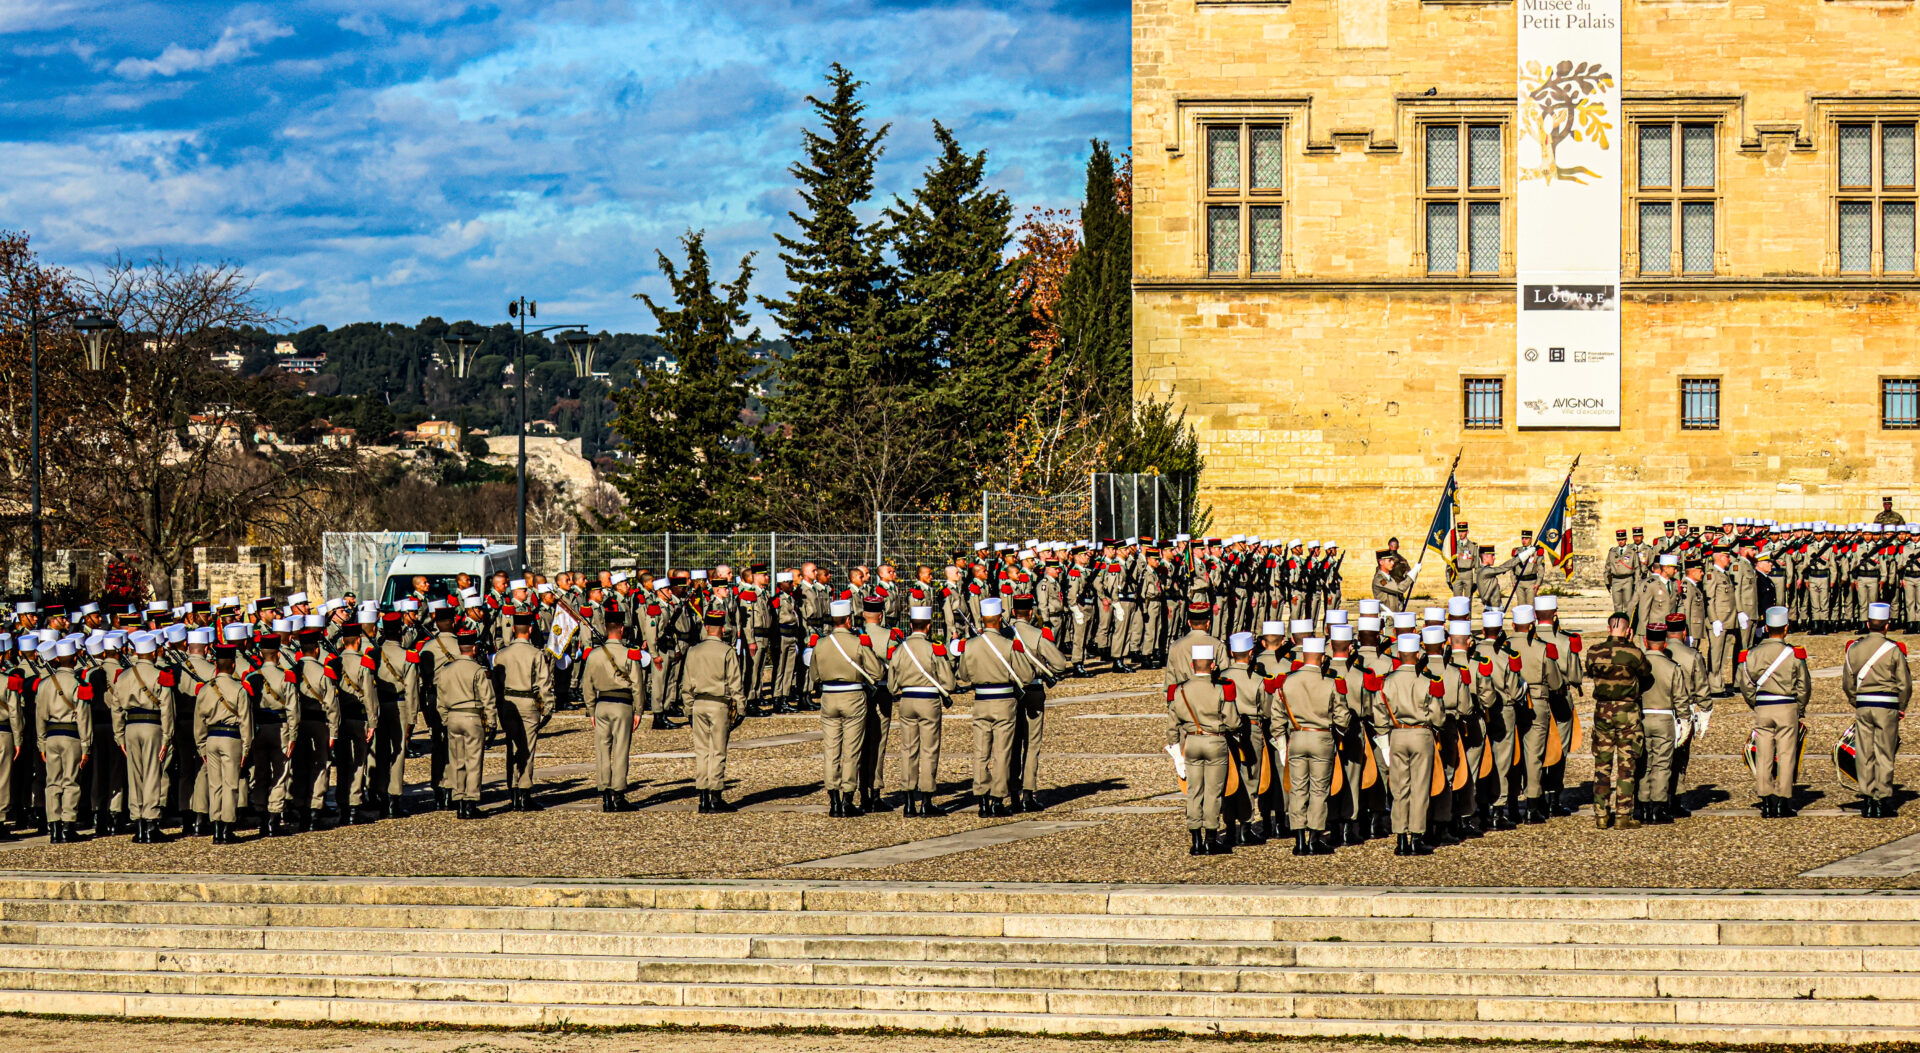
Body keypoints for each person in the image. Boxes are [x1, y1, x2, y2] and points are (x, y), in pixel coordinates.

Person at [955, 597, 1036, 817]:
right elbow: (1027, 676)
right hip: (1004, 701)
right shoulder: (1009, 645)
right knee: (1002, 752)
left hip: (981, 701)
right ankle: (997, 800)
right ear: (999, 619)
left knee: (981, 751)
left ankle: (981, 798)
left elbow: (962, 675)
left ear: (982, 619)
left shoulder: (971, 645)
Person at [809, 598, 882, 817]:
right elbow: (878, 672)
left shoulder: (821, 644)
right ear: (849, 620)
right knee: (851, 750)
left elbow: (814, 675)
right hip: (853, 696)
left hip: (829, 696)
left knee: (831, 750)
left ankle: (833, 799)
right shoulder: (858, 641)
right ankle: (847, 798)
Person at [1737, 605, 1811, 817]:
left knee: (1763, 754)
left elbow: (1746, 684)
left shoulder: (1752, 654)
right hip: (1786, 705)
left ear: (1767, 628)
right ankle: (1782, 800)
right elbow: (1803, 685)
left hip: (1763, 706)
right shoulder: (1793, 653)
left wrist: (1755, 703)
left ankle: (1766, 799)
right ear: (1785, 628)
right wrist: (1800, 707)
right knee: (1787, 753)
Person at [1167, 644, 1241, 855]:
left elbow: (1172, 724)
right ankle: (1211, 838)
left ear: (1192, 665)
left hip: (1191, 741)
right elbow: (1233, 721)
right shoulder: (1220, 688)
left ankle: (1196, 840)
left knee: (1194, 791)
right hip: (1215, 740)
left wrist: (1175, 748)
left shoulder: (1179, 690)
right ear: (1213, 665)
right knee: (1213, 792)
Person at [1280, 635, 1350, 855]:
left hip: (1297, 736)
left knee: (1298, 788)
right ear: (1321, 657)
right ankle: (1314, 838)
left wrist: (1282, 742)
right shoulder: (1329, 682)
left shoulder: (1288, 681)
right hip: (1321, 737)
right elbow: (1342, 716)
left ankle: (1299, 839)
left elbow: (1277, 716)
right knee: (1319, 790)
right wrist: (1340, 731)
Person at [1584, 611, 1652, 830]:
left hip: (1602, 710)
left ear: (1608, 628)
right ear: (1628, 630)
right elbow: (1646, 673)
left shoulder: (1594, 651)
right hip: (1627, 711)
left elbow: (1589, 669)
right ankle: (1623, 815)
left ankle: (1601, 815)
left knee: (1602, 764)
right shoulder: (1633, 653)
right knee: (1626, 764)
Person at [1842, 602, 1910, 817]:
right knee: (1884, 753)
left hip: (1863, 703)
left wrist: (1856, 700)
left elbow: (1847, 681)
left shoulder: (1854, 648)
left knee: (1864, 752)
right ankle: (1882, 798)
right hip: (1887, 705)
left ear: (1868, 623)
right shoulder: (1893, 649)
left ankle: (1868, 797)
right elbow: (1904, 684)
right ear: (1887, 625)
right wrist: (1901, 705)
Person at [1376, 633, 1442, 855]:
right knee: (1419, 788)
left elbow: (1379, 711)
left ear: (1398, 655)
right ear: (1417, 654)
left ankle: (1401, 838)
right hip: (1420, 733)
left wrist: (1385, 734)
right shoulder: (1426, 680)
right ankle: (1416, 836)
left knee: (1399, 788)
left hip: (1398, 733)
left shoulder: (1388, 680)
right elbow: (1437, 715)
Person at [889, 605, 955, 817]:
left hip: (907, 700)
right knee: (929, 750)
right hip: (928, 699)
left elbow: (891, 686)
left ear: (910, 626)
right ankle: (926, 801)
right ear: (928, 626)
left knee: (909, 749)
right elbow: (949, 683)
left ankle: (909, 802)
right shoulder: (933, 649)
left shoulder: (901, 649)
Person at [110, 633, 176, 843]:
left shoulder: (122, 676)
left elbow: (116, 708)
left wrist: (119, 735)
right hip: (152, 725)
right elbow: (167, 708)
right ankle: (151, 823)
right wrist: (167, 737)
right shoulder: (161, 675)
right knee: (152, 774)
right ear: (154, 652)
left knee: (135, 776)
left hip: (131, 727)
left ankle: (138, 824)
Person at [681, 609, 746, 812]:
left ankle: (702, 795)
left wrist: (688, 709)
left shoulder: (693, 651)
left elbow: (686, 684)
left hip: (699, 703)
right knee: (717, 750)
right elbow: (736, 683)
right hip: (719, 704)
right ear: (723, 629)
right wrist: (741, 708)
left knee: (701, 751)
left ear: (706, 627)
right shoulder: (727, 651)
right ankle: (715, 795)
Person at [194, 627, 253, 845]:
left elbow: (198, 721)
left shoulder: (206, 689)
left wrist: (201, 746)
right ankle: (227, 828)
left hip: (211, 738)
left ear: (216, 665)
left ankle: (216, 826)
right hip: (232, 738)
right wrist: (247, 748)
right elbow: (246, 722)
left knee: (215, 784)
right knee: (230, 784)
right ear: (233, 666)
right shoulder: (239, 690)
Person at [581, 620, 645, 811]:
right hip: (622, 704)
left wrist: (591, 709)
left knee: (602, 750)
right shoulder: (629, 653)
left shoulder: (594, 655)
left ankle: (605, 793)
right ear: (622, 629)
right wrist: (639, 710)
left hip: (602, 704)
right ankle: (618, 794)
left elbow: (587, 685)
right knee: (620, 750)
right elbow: (637, 684)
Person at [493, 611, 553, 812]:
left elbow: (496, 684)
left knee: (512, 747)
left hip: (508, 701)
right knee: (527, 748)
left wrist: (498, 705)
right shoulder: (536, 654)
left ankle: (513, 790)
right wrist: (548, 707)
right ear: (529, 630)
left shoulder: (501, 654)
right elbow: (544, 684)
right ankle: (525, 791)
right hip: (528, 702)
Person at [434, 631, 495, 820]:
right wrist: (491, 723)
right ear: (474, 648)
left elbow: (440, 699)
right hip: (471, 716)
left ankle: (459, 799)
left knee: (456, 761)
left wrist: (445, 718)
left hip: (453, 716)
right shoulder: (477, 670)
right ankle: (471, 802)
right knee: (473, 761)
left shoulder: (446, 670)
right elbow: (488, 699)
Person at [1634, 624, 1690, 825]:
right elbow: (1681, 698)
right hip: (1664, 717)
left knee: (1643, 764)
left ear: (1645, 641)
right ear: (1665, 643)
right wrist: (1685, 721)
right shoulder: (1672, 667)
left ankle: (1643, 806)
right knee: (1662, 764)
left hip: (1641, 716)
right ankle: (1658, 807)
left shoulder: (1637, 665)